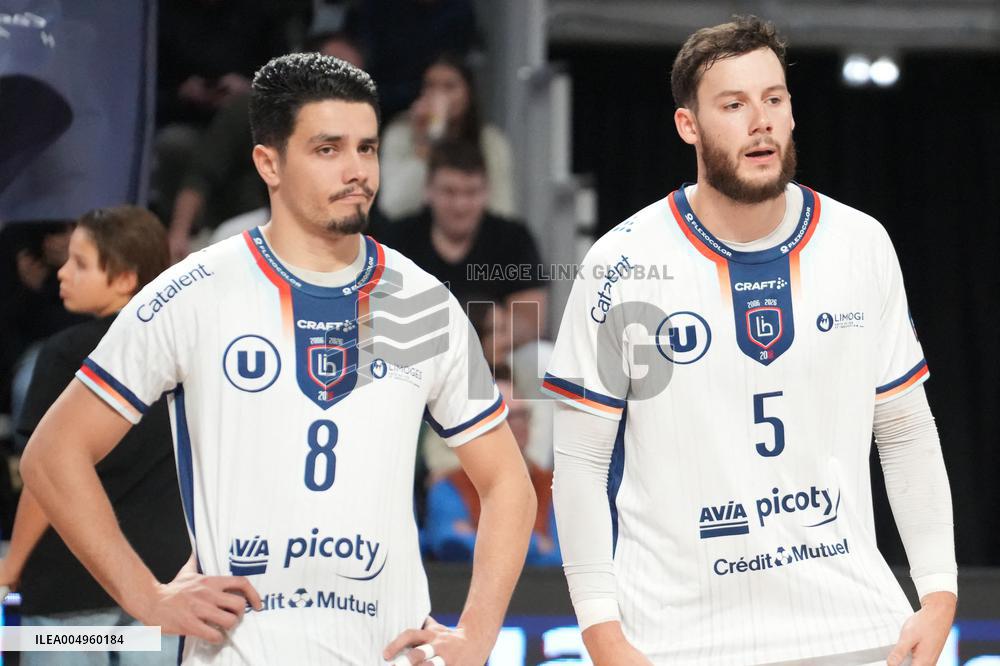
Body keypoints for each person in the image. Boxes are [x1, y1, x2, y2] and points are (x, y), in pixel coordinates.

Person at [21, 53, 536, 665]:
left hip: (386, 653)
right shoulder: (196, 291)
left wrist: (475, 636)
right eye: (328, 149)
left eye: (367, 148)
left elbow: (508, 482)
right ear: (269, 162)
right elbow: (52, 456)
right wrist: (148, 596)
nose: (356, 171)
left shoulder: (421, 301)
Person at [543, 16, 956, 666]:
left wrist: (938, 593)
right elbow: (581, 461)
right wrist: (602, 633)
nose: (759, 121)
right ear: (689, 126)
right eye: (733, 105)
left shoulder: (860, 243)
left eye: (773, 99)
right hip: (678, 643)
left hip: (854, 632)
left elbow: (903, 430)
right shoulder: (622, 261)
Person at [2, 205, 189, 665]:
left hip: (71, 595)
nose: (62, 272)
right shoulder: (188, 351)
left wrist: (11, 567)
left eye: (80, 263)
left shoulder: (67, 355)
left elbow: (46, 481)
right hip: (166, 591)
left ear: (126, 278)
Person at [374, 139, 544, 348]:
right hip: (416, 350)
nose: (460, 205)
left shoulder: (513, 238)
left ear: (486, 192)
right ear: (428, 190)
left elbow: (530, 315)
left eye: (471, 192)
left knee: (541, 356)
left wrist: (502, 333)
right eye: (449, 192)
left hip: (492, 352)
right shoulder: (397, 239)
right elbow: (377, 309)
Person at [425, 365, 559, 566]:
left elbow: (563, 557)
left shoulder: (552, 485)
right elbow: (450, 545)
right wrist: (536, 545)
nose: (520, 424)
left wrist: (476, 535)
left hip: (542, 594)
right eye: (509, 417)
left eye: (524, 415)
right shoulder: (451, 486)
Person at [377, 54, 516, 220]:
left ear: (468, 93)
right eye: (430, 86)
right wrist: (426, 143)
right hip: (412, 234)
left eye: (449, 87)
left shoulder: (490, 141)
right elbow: (394, 206)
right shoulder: (400, 133)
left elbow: (502, 211)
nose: (438, 96)